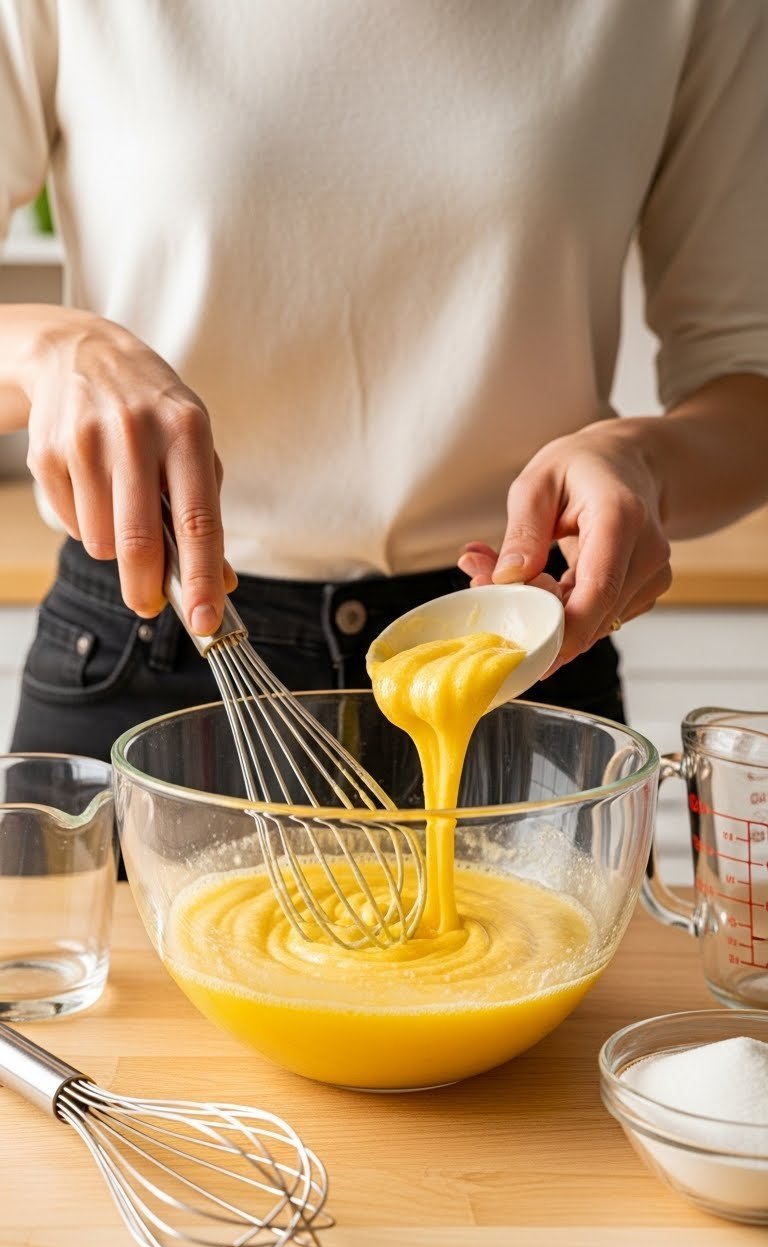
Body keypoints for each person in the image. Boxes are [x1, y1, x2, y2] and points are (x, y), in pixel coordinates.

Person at [1, 0, 767, 764]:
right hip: (150, 649)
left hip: (518, 660)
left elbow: (746, 371)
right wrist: (49, 348)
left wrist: (645, 462)